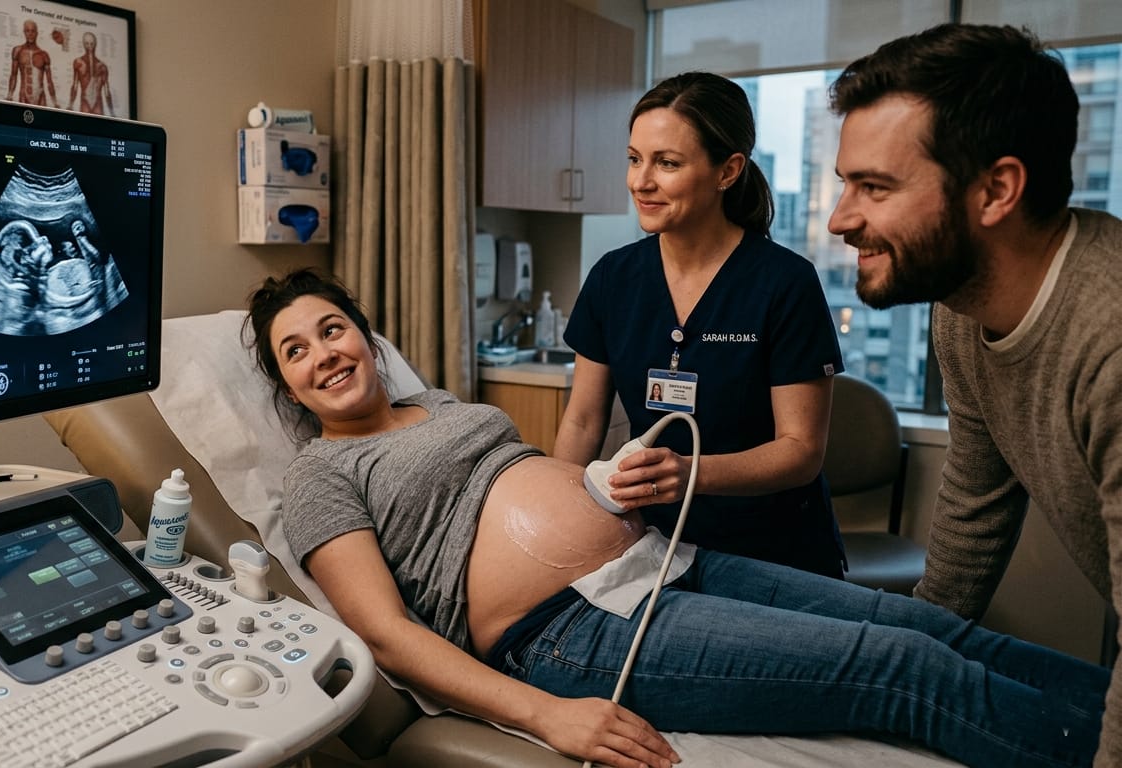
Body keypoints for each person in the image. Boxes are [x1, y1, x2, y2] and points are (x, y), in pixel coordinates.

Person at [248, 267, 1107, 768]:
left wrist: (595, 486)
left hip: (663, 559)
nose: (325, 354)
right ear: (286, 385)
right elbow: (388, 636)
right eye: (298, 350)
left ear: (366, 335)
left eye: (334, 329)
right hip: (564, 631)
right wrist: (547, 715)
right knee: (898, 666)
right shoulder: (321, 475)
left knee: (926, 623)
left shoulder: (435, 404)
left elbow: (527, 482)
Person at [825, 22, 1122, 765]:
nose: (839, 219)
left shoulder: (1110, 337)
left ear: (996, 190)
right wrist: (911, 656)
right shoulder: (962, 313)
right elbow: (974, 508)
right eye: (844, 183)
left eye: (875, 187)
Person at [554, 72, 846, 578]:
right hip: (654, 547)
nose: (641, 181)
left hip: (774, 551)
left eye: (667, 163)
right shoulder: (612, 278)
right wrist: (559, 515)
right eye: (634, 158)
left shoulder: (784, 282)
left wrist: (689, 473)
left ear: (727, 171)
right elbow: (582, 422)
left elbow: (801, 451)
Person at [7, 19, 58, 108]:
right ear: (24, 32)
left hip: (40, 97)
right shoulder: (18, 51)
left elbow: (49, 82)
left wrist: (55, 103)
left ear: (37, 33)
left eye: (33, 31)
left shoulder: (44, 55)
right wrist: (9, 95)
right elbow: (13, 75)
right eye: (27, 31)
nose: (30, 34)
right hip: (24, 96)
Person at [68, 31, 113, 116]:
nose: (89, 47)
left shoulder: (102, 66)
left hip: (98, 104)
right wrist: (70, 105)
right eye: (87, 44)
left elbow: (106, 90)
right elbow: (75, 86)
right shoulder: (78, 63)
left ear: (95, 44)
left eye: (91, 44)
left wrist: (112, 112)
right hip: (85, 103)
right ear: (84, 44)